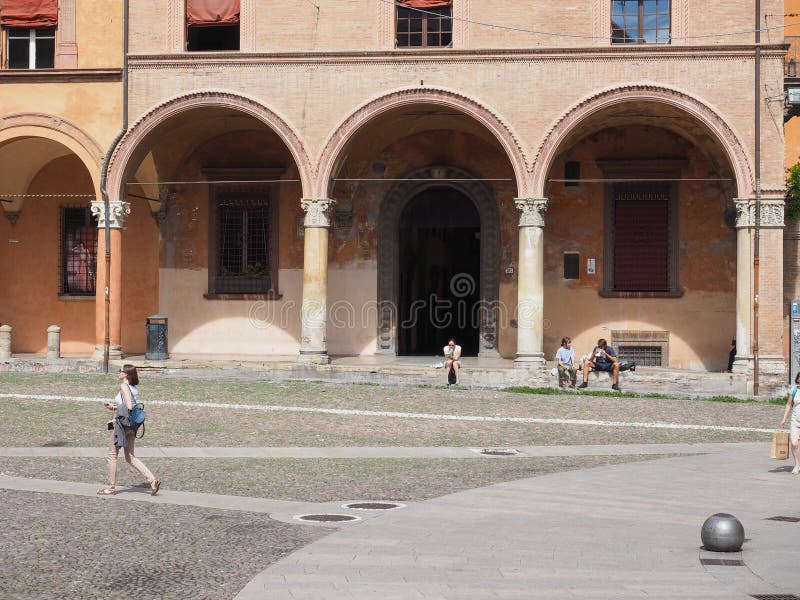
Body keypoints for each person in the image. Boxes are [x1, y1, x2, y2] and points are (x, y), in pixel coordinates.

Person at [97, 364, 160, 496]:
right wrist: (114, 407)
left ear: (126, 374)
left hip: (123, 426)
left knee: (112, 455)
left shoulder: (124, 386)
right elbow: (127, 405)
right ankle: (153, 480)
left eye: (120, 371)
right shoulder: (133, 388)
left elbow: (129, 407)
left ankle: (111, 488)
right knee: (130, 456)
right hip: (132, 426)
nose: (118, 373)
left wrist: (115, 419)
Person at [780, 372, 800, 475]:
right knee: (794, 443)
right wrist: (784, 419)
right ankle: (797, 464)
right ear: (798, 379)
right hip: (795, 420)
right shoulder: (794, 390)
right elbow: (788, 405)